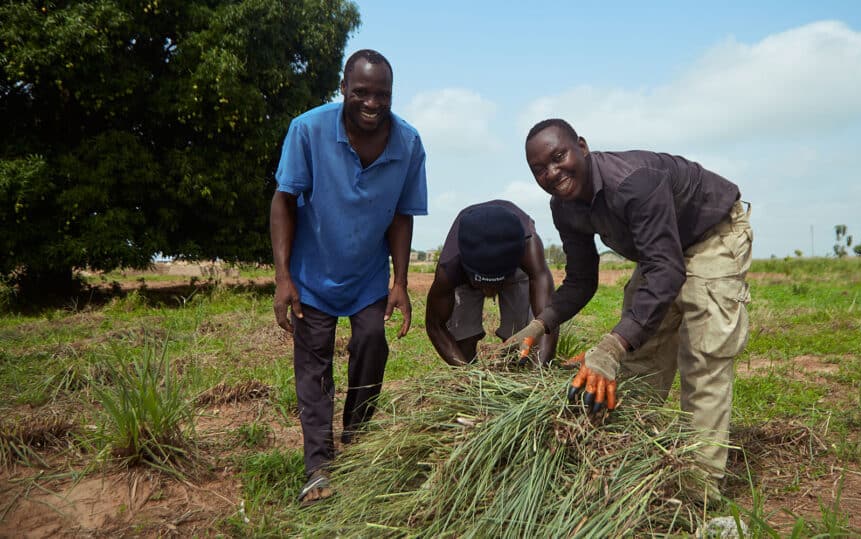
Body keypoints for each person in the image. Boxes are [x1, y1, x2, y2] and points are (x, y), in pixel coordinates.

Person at [509, 118, 752, 501]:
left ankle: (697, 494)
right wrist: (539, 325)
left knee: (703, 360)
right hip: (659, 252)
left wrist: (610, 347)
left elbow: (668, 270)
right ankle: (636, 468)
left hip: (709, 235)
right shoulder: (564, 206)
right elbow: (582, 280)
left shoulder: (634, 182)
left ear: (582, 147)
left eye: (559, 157)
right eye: (540, 169)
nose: (552, 173)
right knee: (640, 361)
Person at [269, 49, 427, 506]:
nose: (372, 103)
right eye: (361, 92)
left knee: (372, 344)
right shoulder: (308, 130)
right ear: (343, 89)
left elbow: (402, 214)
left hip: (367, 277)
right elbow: (283, 201)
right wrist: (283, 277)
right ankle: (318, 468)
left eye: (382, 94)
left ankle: (355, 444)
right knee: (314, 366)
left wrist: (400, 282)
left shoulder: (409, 143)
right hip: (312, 274)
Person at [425, 200, 557, 366]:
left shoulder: (528, 250)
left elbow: (547, 318)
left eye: (496, 284)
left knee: (523, 334)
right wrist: (467, 375)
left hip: (512, 266)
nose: (488, 291)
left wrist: (542, 371)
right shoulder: (450, 266)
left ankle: (516, 368)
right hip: (467, 270)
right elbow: (435, 325)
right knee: (462, 333)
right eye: (482, 284)